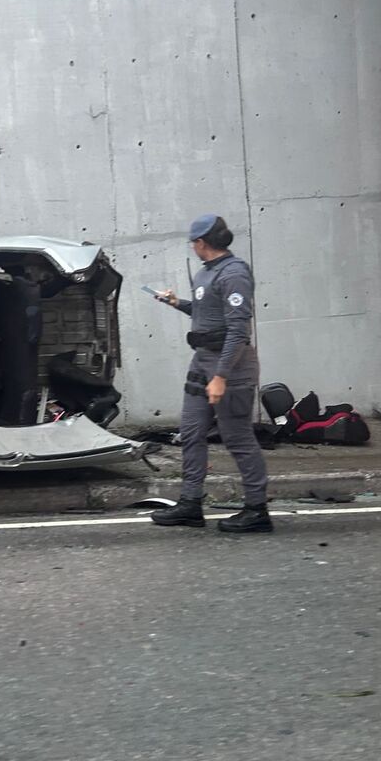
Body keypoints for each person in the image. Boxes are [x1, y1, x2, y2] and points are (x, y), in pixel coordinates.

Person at [151, 215, 272, 533]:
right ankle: (190, 504)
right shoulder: (208, 273)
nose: (192, 247)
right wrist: (177, 303)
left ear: (202, 243)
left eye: (193, 242)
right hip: (201, 363)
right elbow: (207, 314)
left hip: (230, 369)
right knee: (191, 433)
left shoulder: (234, 274)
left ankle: (257, 510)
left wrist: (221, 376)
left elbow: (238, 329)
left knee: (238, 438)